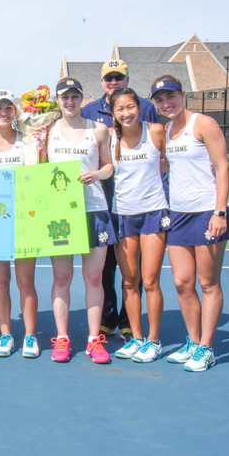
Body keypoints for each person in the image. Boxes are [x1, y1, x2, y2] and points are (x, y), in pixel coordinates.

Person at [150, 76, 229, 372]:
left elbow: (222, 166)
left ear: (182, 94)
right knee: (182, 283)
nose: (167, 104)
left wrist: (220, 212)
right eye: (160, 100)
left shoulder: (203, 124)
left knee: (208, 283)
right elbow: (165, 166)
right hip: (178, 215)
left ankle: (206, 347)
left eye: (170, 96)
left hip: (206, 213)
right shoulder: (167, 130)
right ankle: (193, 339)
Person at [80, 59, 159, 342]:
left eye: (118, 78)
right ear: (101, 82)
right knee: (105, 264)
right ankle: (107, 318)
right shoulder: (88, 111)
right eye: (108, 79)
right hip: (100, 197)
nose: (113, 83)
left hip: (134, 199)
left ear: (127, 79)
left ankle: (129, 320)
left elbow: (157, 151)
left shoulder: (146, 108)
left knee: (130, 264)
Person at [44, 78, 115, 364]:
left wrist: (96, 175)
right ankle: (62, 338)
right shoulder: (47, 132)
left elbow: (110, 166)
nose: (70, 101)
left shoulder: (97, 130)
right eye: (65, 97)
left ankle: (93, 340)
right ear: (58, 100)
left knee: (94, 278)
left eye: (75, 96)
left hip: (94, 210)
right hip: (59, 213)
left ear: (82, 99)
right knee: (62, 277)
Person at [108, 86, 169, 363]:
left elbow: (170, 163)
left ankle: (154, 341)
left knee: (150, 280)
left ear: (139, 107)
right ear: (113, 113)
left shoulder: (156, 132)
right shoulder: (110, 138)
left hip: (153, 214)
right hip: (123, 215)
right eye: (120, 109)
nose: (126, 113)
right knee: (129, 281)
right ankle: (137, 339)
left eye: (130, 107)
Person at [0, 89, 40, 358]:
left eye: (8, 108)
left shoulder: (28, 141)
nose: (3, 113)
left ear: (15, 111)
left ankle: (30, 336)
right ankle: (6, 335)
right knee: (0, 281)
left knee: (26, 282)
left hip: (25, 220)